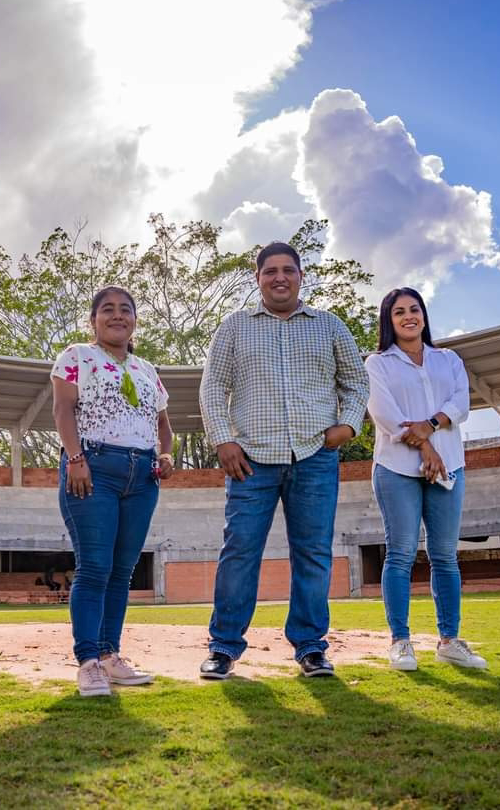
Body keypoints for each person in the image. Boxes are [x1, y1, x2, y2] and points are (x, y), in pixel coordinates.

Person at [198, 241, 368, 679]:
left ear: (300, 276)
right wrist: (222, 440)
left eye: (287, 270)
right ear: (257, 278)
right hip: (250, 459)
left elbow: (356, 382)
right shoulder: (234, 327)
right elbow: (212, 388)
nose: (279, 277)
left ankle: (311, 647)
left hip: (314, 456)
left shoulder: (330, 326)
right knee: (239, 551)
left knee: (313, 553)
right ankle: (223, 646)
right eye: (269, 270)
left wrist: (348, 426)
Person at [52, 286, 174, 696]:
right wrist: (75, 458)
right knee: (95, 567)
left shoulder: (147, 370)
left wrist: (167, 454)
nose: (117, 315)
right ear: (93, 320)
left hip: (142, 477)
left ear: (135, 320)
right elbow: (62, 409)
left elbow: (163, 426)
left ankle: (110, 656)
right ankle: (88, 662)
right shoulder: (77, 356)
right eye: (108, 309)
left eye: (126, 309)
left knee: (122, 571)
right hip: (94, 468)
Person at [365, 287, 487, 671]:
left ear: (423, 315)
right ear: (389, 321)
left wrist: (431, 426)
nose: (408, 316)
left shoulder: (448, 359)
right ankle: (400, 641)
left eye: (414, 309)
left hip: (449, 467)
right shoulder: (377, 364)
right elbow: (385, 414)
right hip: (396, 468)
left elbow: (460, 403)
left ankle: (449, 640)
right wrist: (426, 448)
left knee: (445, 556)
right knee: (400, 553)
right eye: (399, 311)